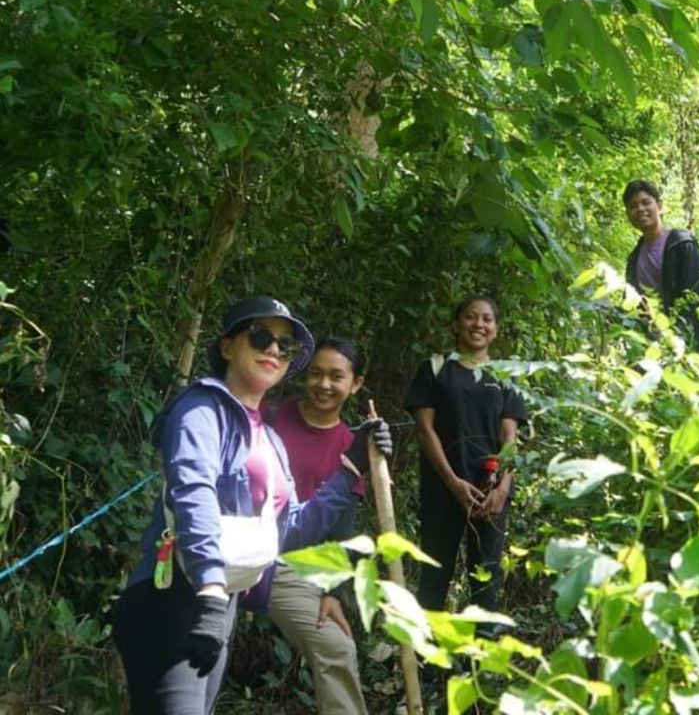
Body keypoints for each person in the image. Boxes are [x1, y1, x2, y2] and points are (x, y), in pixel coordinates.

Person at [112, 297, 390, 715]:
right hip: (174, 597)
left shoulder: (268, 438)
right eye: (260, 337)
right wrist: (209, 588)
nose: (274, 350)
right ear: (227, 347)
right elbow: (194, 492)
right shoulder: (202, 408)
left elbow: (287, 529)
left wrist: (354, 467)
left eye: (285, 345)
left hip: (219, 604)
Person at [406, 297, 527, 665]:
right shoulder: (436, 369)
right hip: (444, 491)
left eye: (487, 319)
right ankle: (426, 664)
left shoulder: (506, 376)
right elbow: (425, 430)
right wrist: (453, 482)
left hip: (491, 494)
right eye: (471, 317)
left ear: (496, 329)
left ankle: (480, 669)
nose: (479, 324)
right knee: (434, 576)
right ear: (456, 324)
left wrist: (503, 488)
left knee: (486, 581)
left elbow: (511, 438)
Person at [259, 337, 375, 715]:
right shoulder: (270, 416)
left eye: (336, 377)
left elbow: (343, 530)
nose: (324, 385)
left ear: (355, 383)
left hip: (294, 568)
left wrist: (335, 591)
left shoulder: (351, 445)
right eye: (316, 374)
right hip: (246, 549)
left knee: (337, 645)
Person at [622, 179, 699, 359]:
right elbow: (635, 306)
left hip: (690, 345)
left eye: (646, 202)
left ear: (659, 206)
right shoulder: (634, 259)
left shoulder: (682, 245)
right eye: (633, 206)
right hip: (656, 346)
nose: (640, 209)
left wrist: (691, 351)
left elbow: (695, 300)